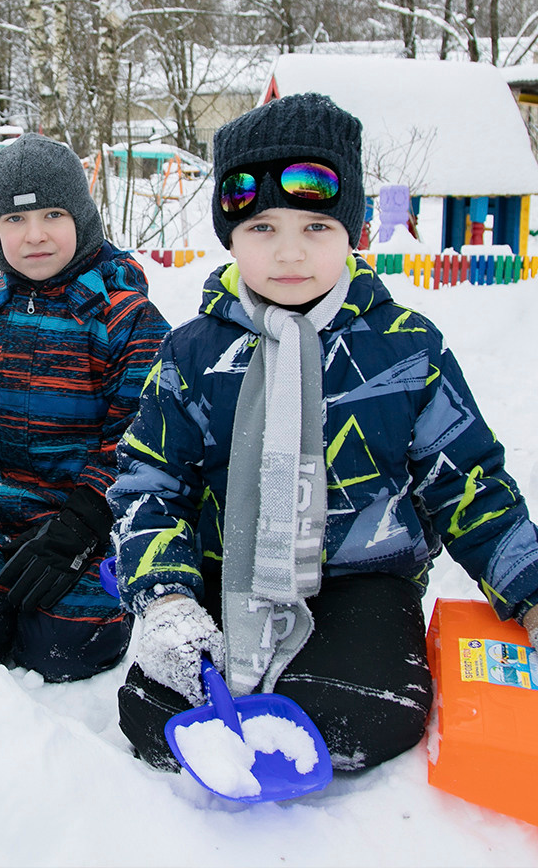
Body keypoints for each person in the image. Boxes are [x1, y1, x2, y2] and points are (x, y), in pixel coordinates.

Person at [108, 92, 538, 773]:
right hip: (229, 571)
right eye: (261, 230)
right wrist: (164, 597)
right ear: (230, 235)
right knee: (155, 709)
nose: (288, 254)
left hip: (360, 580)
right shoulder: (193, 353)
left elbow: (470, 484)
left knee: (357, 716)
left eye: (314, 228)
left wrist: (532, 589)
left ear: (352, 230)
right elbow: (148, 483)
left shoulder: (403, 349)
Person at [0, 133, 171, 681]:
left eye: (52, 214)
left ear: (82, 218)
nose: (34, 236)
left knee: (62, 647)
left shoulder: (125, 319)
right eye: (14, 221)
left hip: (83, 520)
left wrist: (80, 526)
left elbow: (138, 444)